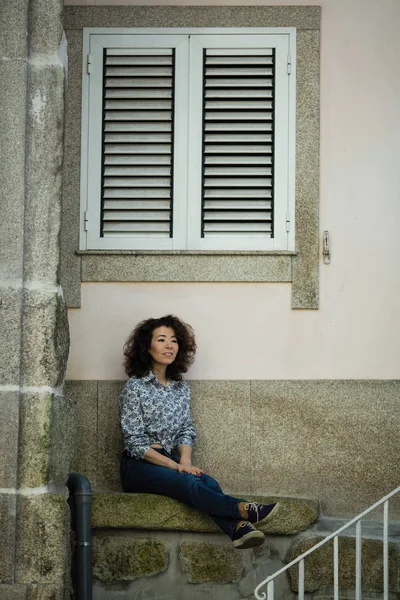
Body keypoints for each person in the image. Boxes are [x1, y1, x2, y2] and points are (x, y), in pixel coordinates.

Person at [119, 314, 280, 549]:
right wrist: (175, 466)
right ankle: (243, 509)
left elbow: (185, 429)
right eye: (161, 340)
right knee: (189, 484)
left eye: (173, 340)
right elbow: (134, 442)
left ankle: (237, 530)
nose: (169, 346)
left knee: (207, 482)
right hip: (139, 466)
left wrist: (184, 460)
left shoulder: (180, 388)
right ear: (147, 347)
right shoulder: (135, 387)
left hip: (172, 459)